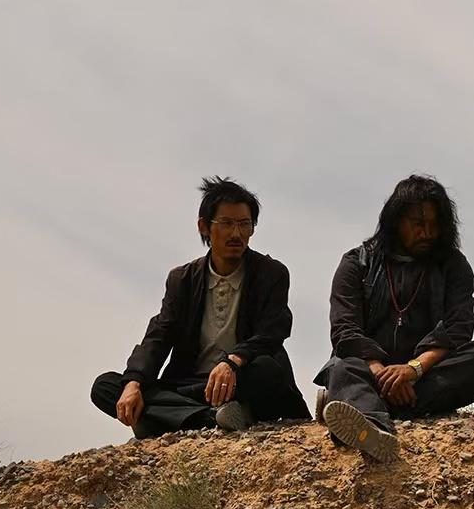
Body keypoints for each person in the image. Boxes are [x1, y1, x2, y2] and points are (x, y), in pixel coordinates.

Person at [90, 176, 310, 438]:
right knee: (106, 386)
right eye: (226, 223)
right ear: (204, 226)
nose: (236, 234)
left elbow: (272, 331)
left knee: (268, 369)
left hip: (243, 378)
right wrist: (134, 382)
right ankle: (211, 417)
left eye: (244, 224)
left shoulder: (271, 273)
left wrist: (233, 361)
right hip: (192, 384)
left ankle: (164, 416)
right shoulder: (182, 279)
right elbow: (160, 334)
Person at [315, 175, 474, 463]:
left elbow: (458, 328)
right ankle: (372, 428)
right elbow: (345, 330)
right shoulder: (357, 263)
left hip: (423, 374)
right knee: (342, 367)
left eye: (435, 225)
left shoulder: (454, 266)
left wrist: (412, 370)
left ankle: (358, 402)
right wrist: (381, 372)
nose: (427, 233)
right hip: (369, 369)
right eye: (418, 224)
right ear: (397, 221)